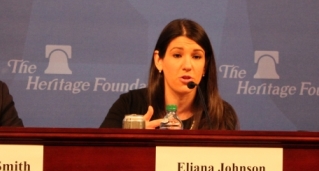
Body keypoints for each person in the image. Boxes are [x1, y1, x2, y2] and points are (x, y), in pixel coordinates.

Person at [100, 19, 238, 130]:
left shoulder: (221, 114)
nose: (187, 66)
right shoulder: (130, 104)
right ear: (159, 60)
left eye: (196, 57)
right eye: (177, 55)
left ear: (205, 67)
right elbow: (99, 156)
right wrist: (136, 140)